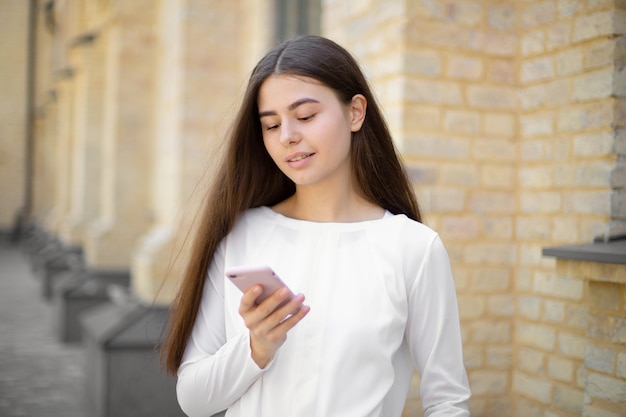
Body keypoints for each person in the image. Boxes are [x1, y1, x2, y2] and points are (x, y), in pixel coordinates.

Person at [161, 35, 471, 417]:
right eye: (271, 125)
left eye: (305, 116)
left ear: (356, 112)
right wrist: (255, 348)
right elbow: (192, 400)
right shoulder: (242, 235)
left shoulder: (413, 248)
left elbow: (448, 402)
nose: (288, 135)